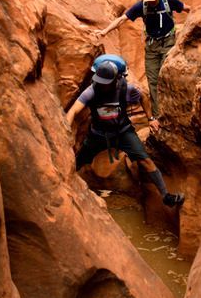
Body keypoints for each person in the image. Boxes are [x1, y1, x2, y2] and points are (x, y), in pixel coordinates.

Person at [65, 60, 185, 207]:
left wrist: (150, 119)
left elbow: (143, 97)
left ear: (115, 80)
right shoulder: (92, 90)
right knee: (78, 160)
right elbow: (73, 110)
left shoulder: (125, 88)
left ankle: (166, 196)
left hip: (123, 132)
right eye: (100, 81)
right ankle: (64, 184)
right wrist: (65, 129)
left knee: (145, 161)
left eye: (105, 82)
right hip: (98, 135)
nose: (102, 85)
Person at [94, 0, 190, 117]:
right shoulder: (141, 6)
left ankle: (175, 113)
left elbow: (188, 9)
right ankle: (158, 116)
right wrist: (105, 31)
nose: (150, 2)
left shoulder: (168, 1)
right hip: (152, 47)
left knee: (167, 76)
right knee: (153, 82)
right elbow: (122, 19)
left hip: (168, 43)